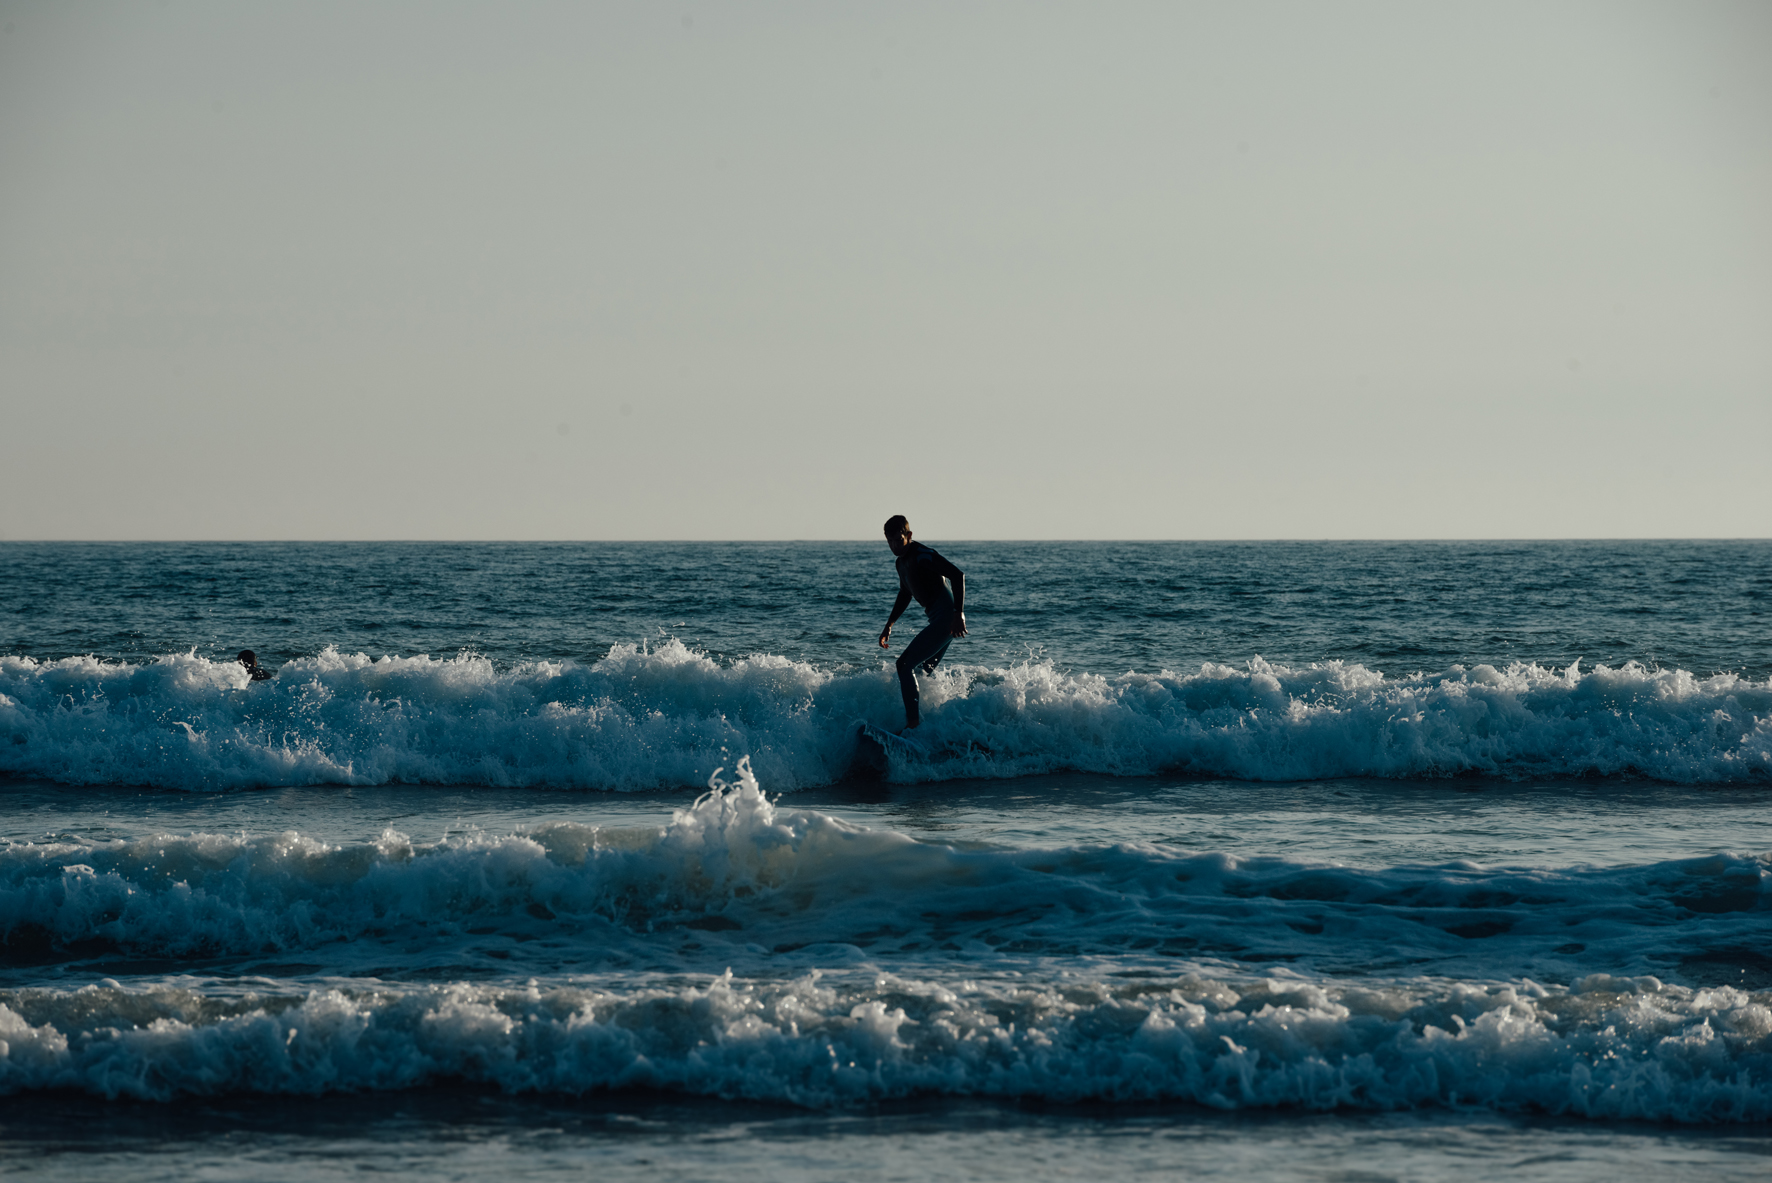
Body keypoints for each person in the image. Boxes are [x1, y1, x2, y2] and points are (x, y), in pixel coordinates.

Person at [877, 515, 967, 730]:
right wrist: (889, 624)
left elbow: (957, 575)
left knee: (904, 665)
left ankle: (913, 725)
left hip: (947, 621)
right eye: (890, 541)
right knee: (921, 672)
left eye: (898, 540)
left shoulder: (923, 555)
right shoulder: (901, 563)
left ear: (908, 536)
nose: (894, 546)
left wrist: (958, 614)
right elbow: (904, 593)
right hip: (941, 623)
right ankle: (931, 724)